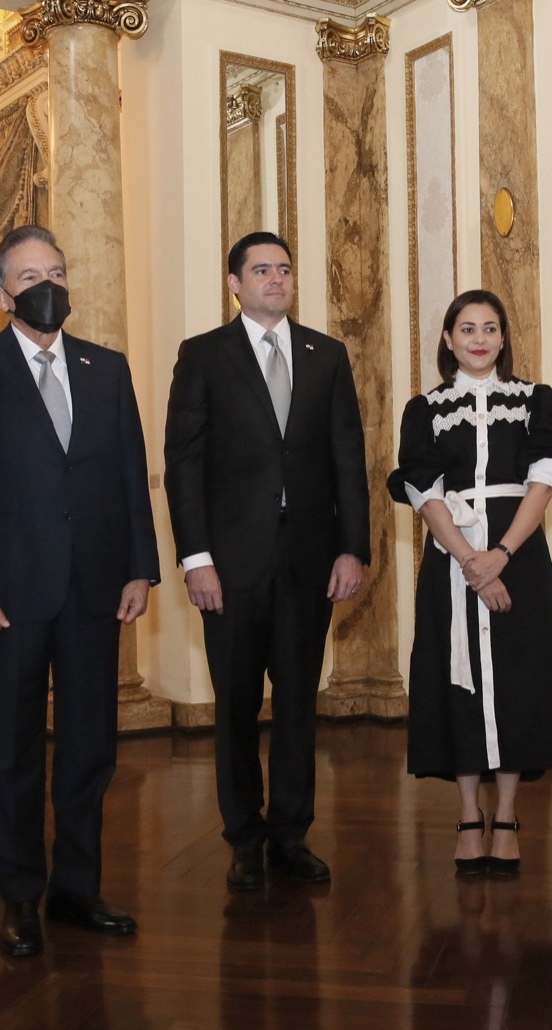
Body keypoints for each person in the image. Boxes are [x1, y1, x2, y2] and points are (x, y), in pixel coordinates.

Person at [0, 225, 159, 957]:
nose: (47, 284)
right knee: (13, 750)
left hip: (96, 587)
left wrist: (140, 566)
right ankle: (20, 895)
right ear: (2, 293)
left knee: (92, 747)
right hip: (8, 594)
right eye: (30, 275)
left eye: (56, 270)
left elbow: (130, 475)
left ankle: (78, 888)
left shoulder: (108, 368)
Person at [163, 231, 370, 891]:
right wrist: (196, 558)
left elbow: (348, 461)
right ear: (235, 282)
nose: (275, 279)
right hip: (229, 563)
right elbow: (183, 465)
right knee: (236, 706)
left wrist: (354, 547)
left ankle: (290, 833)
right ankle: (244, 837)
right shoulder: (203, 356)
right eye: (261, 270)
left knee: (298, 706)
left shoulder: (327, 356)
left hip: (309, 561)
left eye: (284, 269)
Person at [387, 289, 552, 876]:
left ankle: (509, 814)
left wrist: (501, 554)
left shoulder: (535, 403)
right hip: (452, 560)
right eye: (466, 328)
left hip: (519, 555)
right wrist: (471, 560)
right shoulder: (425, 410)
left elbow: (543, 483)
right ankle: (469, 813)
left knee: (518, 681)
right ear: (447, 339)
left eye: (489, 328)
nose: (478, 338)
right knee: (458, 685)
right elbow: (425, 491)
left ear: (503, 338)